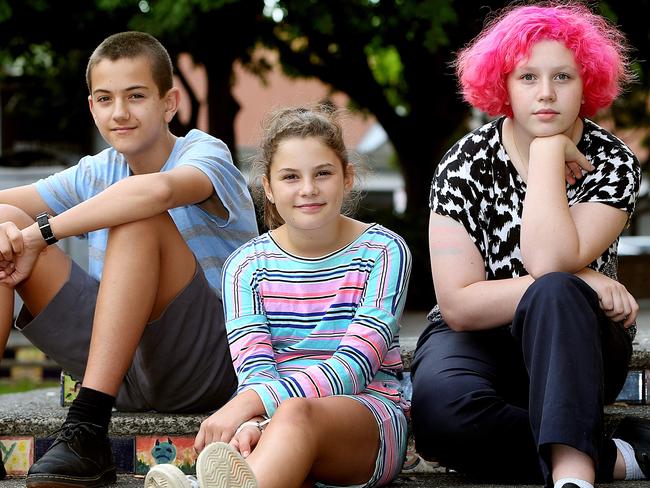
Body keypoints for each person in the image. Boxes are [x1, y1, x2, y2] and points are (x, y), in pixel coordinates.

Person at [0, 31, 258, 487]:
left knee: (139, 217)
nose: (119, 112)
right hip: (122, 369)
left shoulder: (206, 153)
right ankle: (91, 413)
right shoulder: (98, 169)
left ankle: (86, 429)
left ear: (169, 102)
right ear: (92, 107)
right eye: (105, 98)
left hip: (205, 364)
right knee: (3, 221)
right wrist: (11, 227)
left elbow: (154, 192)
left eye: (135, 96)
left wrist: (44, 232)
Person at [410, 3, 647, 488]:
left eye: (563, 76)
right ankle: (618, 457)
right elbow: (458, 305)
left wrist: (545, 153)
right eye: (527, 78)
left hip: (577, 340)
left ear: (587, 84)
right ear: (503, 85)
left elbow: (548, 261)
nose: (545, 94)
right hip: (478, 340)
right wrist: (583, 276)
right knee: (440, 419)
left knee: (556, 292)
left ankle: (573, 477)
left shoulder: (612, 161)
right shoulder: (463, 164)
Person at [144, 105, 412, 488]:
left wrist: (252, 407)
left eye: (323, 173)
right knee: (286, 422)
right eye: (290, 177)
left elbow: (355, 366)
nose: (308, 189)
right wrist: (255, 422)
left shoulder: (383, 252)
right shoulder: (245, 267)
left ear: (347, 177)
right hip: (271, 416)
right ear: (268, 187)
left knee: (297, 415)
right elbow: (255, 369)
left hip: (367, 421)